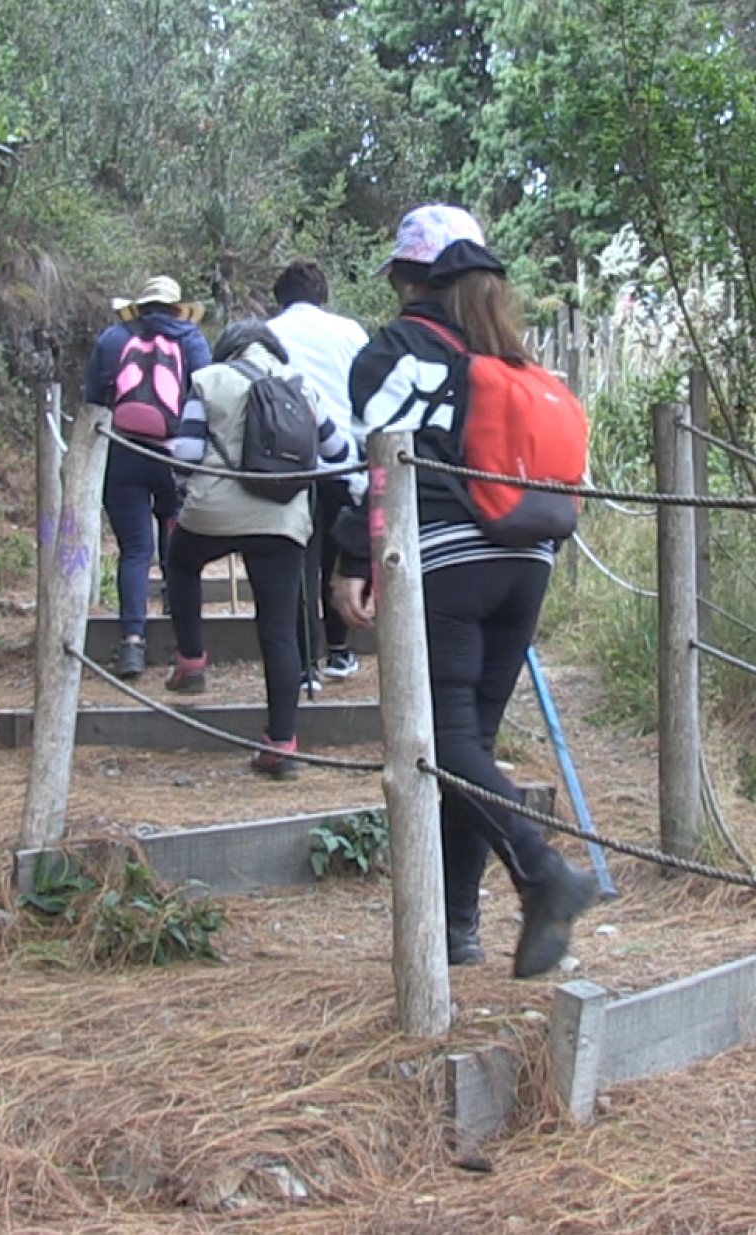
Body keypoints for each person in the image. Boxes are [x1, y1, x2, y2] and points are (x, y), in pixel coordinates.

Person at [331, 204, 598, 979]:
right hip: (528, 559)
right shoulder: (510, 356)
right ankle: (458, 929)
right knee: (470, 744)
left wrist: (352, 557)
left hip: (447, 559)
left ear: (408, 277)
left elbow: (375, 460)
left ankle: (543, 871)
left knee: (443, 742)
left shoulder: (398, 348)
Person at [163, 320, 350, 780]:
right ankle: (281, 744)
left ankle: (191, 658)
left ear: (227, 349)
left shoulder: (207, 380)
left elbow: (186, 454)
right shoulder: (300, 385)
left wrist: (188, 490)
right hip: (282, 520)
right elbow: (337, 449)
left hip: (213, 510)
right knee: (279, 629)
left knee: (181, 561)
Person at [82, 276, 211, 679]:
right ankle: (179, 623)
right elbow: (206, 393)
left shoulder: (113, 338)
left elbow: (93, 398)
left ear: (139, 306)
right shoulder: (190, 339)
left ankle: (132, 644)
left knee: (136, 549)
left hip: (124, 452)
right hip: (174, 456)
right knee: (177, 540)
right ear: (177, 308)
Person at [269, 260, 370, 684]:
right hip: (345, 461)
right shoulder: (350, 332)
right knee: (337, 558)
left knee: (298, 563)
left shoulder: (268, 335)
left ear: (280, 297)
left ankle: (305, 664)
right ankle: (340, 652)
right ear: (323, 295)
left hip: (288, 466)